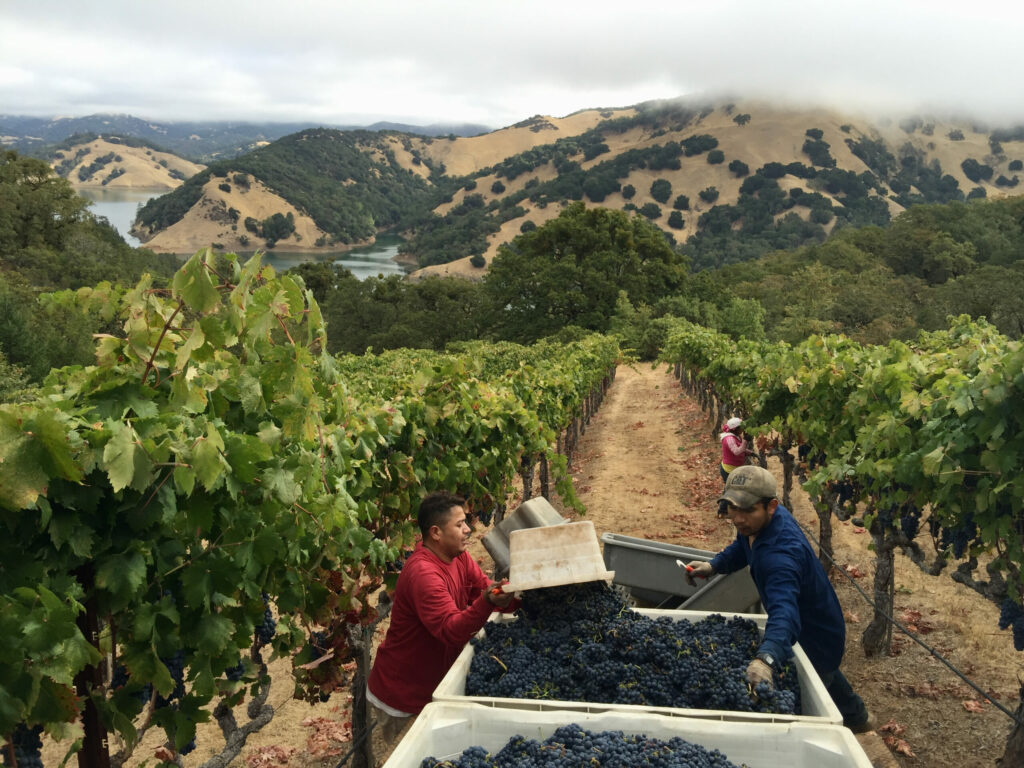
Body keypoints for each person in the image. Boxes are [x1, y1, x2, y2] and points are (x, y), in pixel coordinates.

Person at [685, 465, 875, 733]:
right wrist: (714, 565)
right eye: (732, 508)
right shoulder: (759, 522)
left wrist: (766, 659)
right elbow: (742, 544)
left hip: (814, 631)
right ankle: (859, 718)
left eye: (747, 509)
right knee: (826, 675)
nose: (738, 519)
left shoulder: (779, 557)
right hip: (807, 624)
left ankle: (849, 724)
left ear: (771, 506)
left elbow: (784, 613)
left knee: (811, 684)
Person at [367, 491, 516, 738]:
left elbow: (484, 588)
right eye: (459, 525)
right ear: (436, 533)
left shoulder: (458, 557)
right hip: (403, 697)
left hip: (434, 687)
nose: (468, 529)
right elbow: (451, 630)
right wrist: (488, 600)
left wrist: (519, 596)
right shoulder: (424, 574)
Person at [717, 417, 755, 518]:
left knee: (730, 488)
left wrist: (750, 453)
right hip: (728, 469)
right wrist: (746, 441)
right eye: (741, 428)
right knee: (730, 489)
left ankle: (729, 508)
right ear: (735, 429)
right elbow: (737, 451)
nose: (743, 430)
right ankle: (722, 511)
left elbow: (740, 448)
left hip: (734, 468)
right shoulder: (729, 439)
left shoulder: (736, 436)